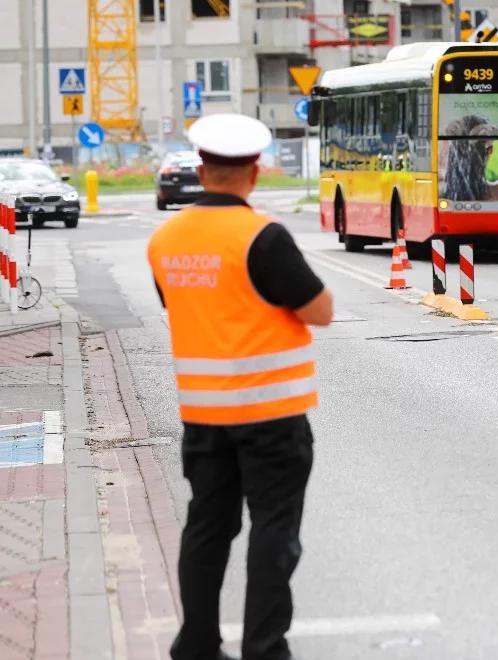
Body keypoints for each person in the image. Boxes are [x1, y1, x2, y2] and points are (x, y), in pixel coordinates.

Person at [148, 113, 334, 660]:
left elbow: (178, 305)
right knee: (274, 530)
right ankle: (264, 647)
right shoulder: (262, 236)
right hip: (272, 417)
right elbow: (319, 310)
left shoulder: (164, 240)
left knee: (207, 527)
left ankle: (197, 644)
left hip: (203, 418)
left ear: (202, 170)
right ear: (254, 172)